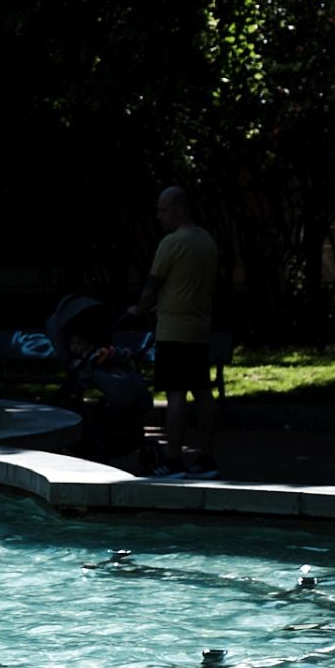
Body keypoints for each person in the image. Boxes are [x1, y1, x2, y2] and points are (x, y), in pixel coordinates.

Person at [131, 186, 220, 478]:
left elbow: (152, 285)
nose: (159, 216)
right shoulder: (206, 241)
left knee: (176, 396)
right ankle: (207, 458)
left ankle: (173, 459)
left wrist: (139, 310)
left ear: (181, 209)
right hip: (199, 329)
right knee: (203, 393)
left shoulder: (172, 243)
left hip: (173, 331)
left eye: (164, 210)